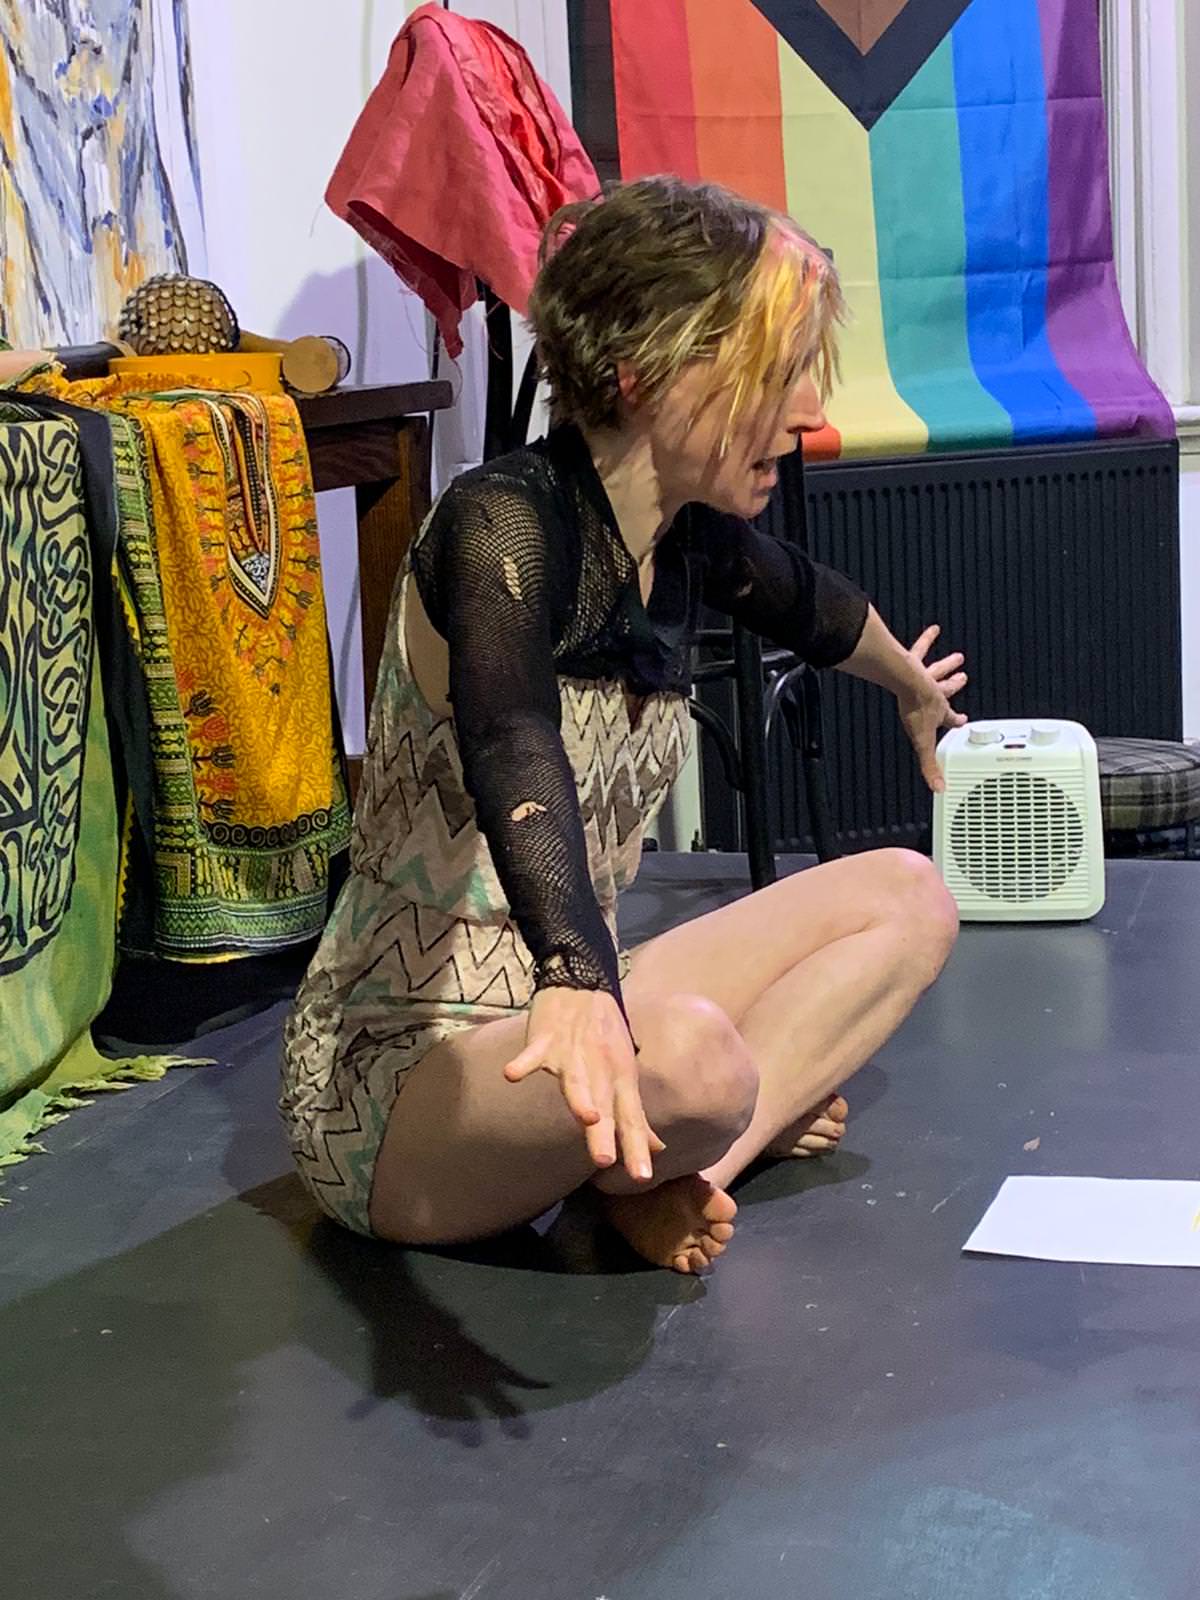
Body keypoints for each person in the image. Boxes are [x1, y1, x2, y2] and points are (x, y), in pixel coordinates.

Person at [281, 177, 964, 1274]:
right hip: (400, 1073)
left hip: (582, 995)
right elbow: (511, 736)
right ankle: (662, 1150)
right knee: (699, 1062)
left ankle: (672, 1175)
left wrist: (911, 688)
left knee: (910, 896)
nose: (808, 412)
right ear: (648, 372)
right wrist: (576, 976)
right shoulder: (499, 522)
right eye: (776, 374)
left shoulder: (681, 536)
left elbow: (819, 608)